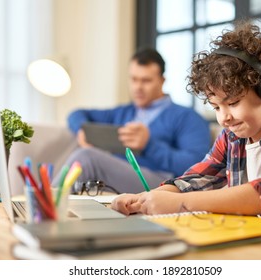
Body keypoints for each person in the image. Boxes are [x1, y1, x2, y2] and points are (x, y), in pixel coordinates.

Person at [111, 21, 261, 233]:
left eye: (232, 103)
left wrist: (179, 204)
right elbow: (197, 178)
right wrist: (146, 198)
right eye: (216, 107)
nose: (224, 118)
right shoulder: (232, 138)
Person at [56, 48, 211, 194]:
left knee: (87, 157)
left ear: (162, 81)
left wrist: (148, 146)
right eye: (134, 79)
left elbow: (197, 166)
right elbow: (76, 114)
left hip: (161, 182)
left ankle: (44, 204)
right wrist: (81, 130)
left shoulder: (186, 117)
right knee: (85, 156)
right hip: (119, 176)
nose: (138, 87)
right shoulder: (124, 112)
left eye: (146, 81)